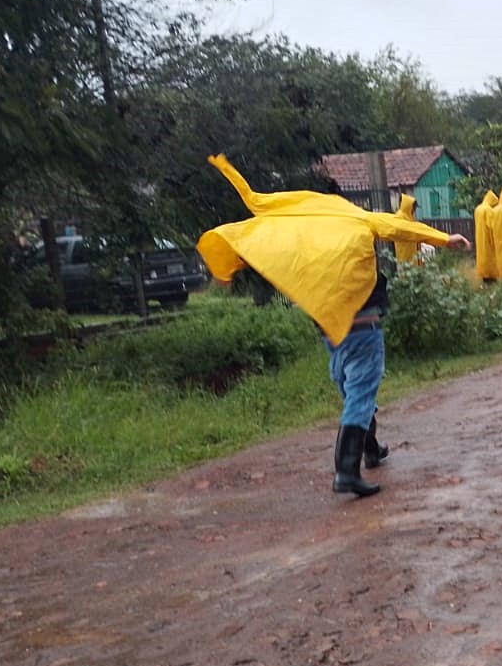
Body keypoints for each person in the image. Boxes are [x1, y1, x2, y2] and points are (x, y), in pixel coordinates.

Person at [196, 154, 472, 498]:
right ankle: (345, 470)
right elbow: (399, 226)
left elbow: (257, 202)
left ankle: (370, 450)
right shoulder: (354, 218)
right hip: (364, 329)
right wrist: (445, 240)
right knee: (360, 394)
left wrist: (230, 176)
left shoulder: (305, 225)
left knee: (355, 391)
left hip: (331, 332)